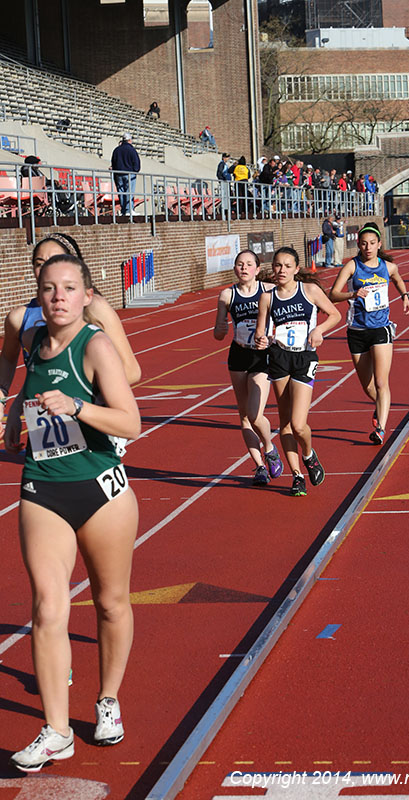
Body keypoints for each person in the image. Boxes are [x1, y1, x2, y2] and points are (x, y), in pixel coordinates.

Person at [6, 253, 140, 772]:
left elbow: (131, 424)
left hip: (101, 490)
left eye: (68, 287)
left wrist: (78, 407)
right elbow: (32, 393)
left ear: (87, 296)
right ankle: (56, 729)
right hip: (43, 488)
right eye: (48, 288)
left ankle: (107, 700)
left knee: (110, 603)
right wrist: (18, 412)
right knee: (47, 605)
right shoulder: (35, 346)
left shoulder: (96, 344)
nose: (58, 295)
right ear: (39, 296)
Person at [0, 233, 141, 437]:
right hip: (46, 427)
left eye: (55, 260)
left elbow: (132, 371)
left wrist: (76, 399)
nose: (47, 267)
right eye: (39, 263)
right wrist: (9, 404)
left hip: (92, 419)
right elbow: (10, 360)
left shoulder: (95, 308)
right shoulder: (20, 319)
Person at [255, 247, 341, 497]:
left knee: (299, 424)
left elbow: (335, 314)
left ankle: (309, 454)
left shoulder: (309, 291)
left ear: (296, 269)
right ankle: (296, 475)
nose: (281, 270)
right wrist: (262, 340)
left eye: (287, 266)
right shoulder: (268, 297)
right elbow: (261, 332)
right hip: (280, 357)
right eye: (278, 266)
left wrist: (319, 330)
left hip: (304, 357)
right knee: (284, 423)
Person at [329, 222, 409, 446]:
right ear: (358, 245)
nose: (368, 247)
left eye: (372, 243)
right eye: (364, 243)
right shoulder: (352, 267)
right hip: (357, 330)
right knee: (367, 385)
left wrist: (404, 295)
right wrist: (352, 294)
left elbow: (397, 278)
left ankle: (381, 429)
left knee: (382, 382)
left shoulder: (388, 266)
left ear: (379, 245)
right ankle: (381, 406)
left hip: (381, 329)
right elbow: (333, 295)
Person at [213, 250, 283, 486]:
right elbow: (218, 334)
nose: (243, 268)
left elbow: (280, 321)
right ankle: (260, 466)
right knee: (244, 417)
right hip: (239, 355)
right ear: (235, 269)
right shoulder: (227, 294)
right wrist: (221, 327)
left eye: (248, 264)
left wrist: (271, 338)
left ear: (256, 267)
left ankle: (270, 447)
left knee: (255, 414)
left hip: (262, 357)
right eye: (239, 264)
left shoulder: (268, 290)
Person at [110, 134, 141, 216]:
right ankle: (129, 210)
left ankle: (124, 210)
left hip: (118, 174)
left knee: (121, 192)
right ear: (130, 140)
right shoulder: (131, 150)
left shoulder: (116, 150)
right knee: (129, 192)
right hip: (129, 173)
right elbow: (136, 163)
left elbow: (113, 162)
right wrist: (135, 170)